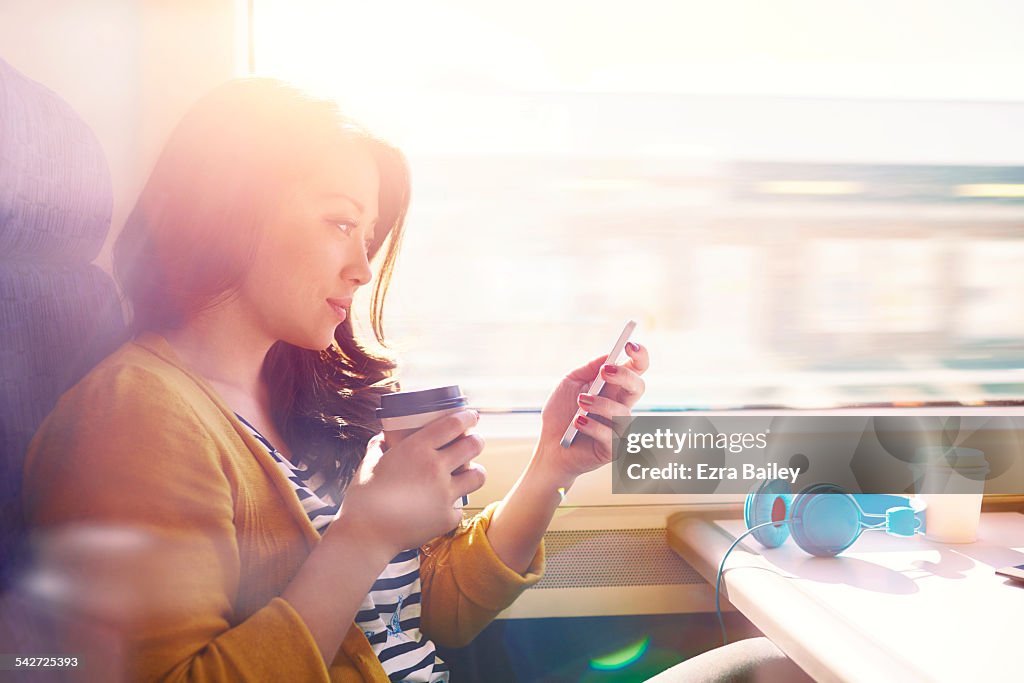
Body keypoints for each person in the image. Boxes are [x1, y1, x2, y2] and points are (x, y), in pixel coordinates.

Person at [20, 77, 651, 682]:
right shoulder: (133, 416)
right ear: (232, 205)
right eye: (342, 224)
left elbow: (422, 622)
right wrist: (366, 531)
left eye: (369, 238)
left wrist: (550, 467)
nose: (362, 270)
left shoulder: (295, 397)